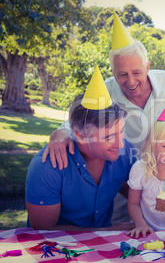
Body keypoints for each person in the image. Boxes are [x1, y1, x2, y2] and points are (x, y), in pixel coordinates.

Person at [41, 13, 165, 223]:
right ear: (113, 72)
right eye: (122, 74)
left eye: (137, 72)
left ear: (148, 67)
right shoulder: (105, 89)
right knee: (121, 238)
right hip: (121, 182)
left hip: (164, 178)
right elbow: (78, 122)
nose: (131, 81)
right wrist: (60, 133)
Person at [26, 68, 136, 230]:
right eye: (108, 137)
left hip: (105, 250)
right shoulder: (47, 166)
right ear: (81, 137)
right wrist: (106, 231)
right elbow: (42, 231)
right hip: (57, 249)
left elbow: (140, 193)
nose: (120, 144)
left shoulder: (125, 153)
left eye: (121, 131)